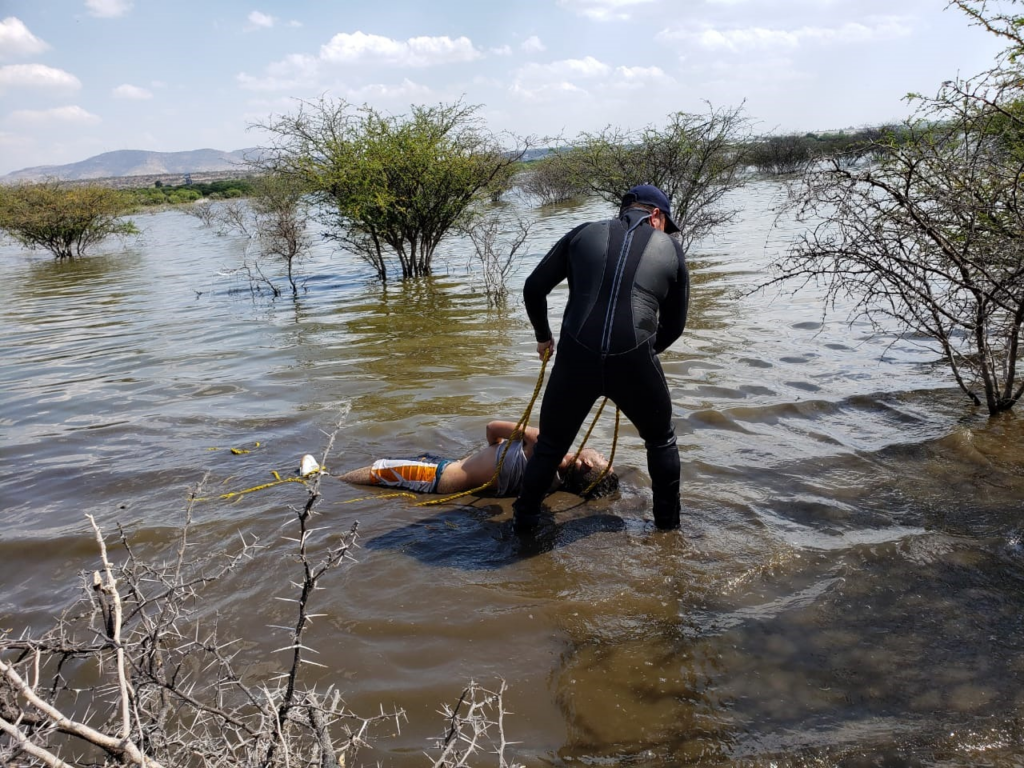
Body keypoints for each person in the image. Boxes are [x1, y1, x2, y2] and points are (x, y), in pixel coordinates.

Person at [513, 184, 690, 532]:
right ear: (656, 215)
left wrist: (543, 337)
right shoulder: (671, 248)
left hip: (577, 357)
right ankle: (667, 531)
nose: (665, 232)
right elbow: (675, 326)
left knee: (550, 446)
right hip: (635, 358)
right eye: (666, 224)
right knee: (660, 440)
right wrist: (640, 359)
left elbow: (533, 288)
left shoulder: (583, 233)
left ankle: (524, 525)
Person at [337, 420, 617, 498]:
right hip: (442, 470)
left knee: (374, 473)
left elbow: (492, 428)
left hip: (436, 476)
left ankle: (321, 479)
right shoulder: (553, 484)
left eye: (603, 458)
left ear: (587, 464)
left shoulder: (540, 443)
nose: (601, 452)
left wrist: (496, 447)